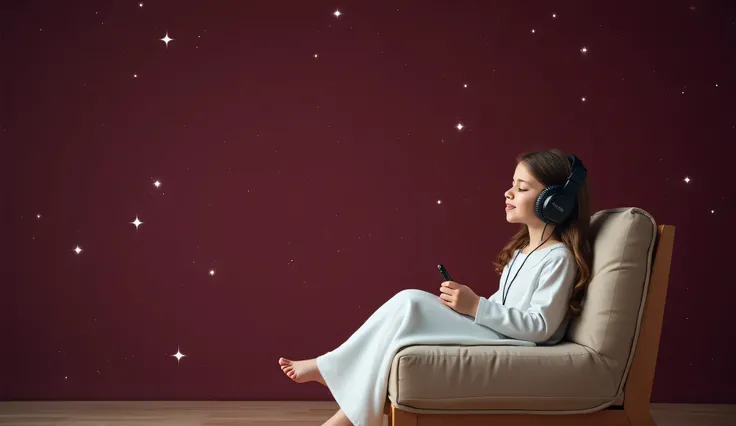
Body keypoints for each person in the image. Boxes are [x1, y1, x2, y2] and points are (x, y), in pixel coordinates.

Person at [278, 149, 593, 426]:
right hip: (498, 331)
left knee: (410, 303)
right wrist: (465, 307)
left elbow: (540, 327)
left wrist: (475, 307)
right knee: (405, 318)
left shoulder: (558, 259)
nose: (509, 193)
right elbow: (505, 304)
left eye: (521, 187)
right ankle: (343, 411)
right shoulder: (523, 253)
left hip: (517, 343)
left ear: (555, 203)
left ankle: (329, 367)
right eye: (512, 184)